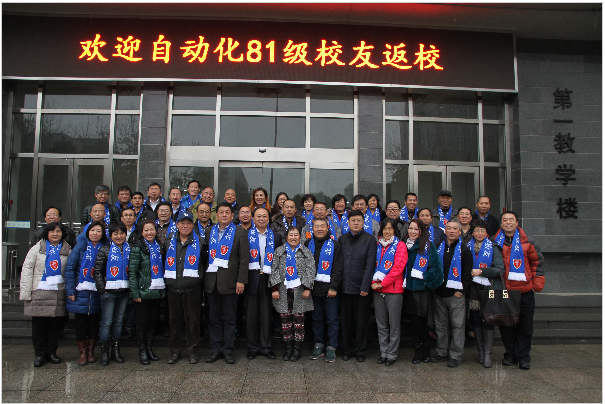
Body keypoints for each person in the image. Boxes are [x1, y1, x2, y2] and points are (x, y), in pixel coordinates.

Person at [494, 211, 545, 370]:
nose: (508, 222)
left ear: (517, 222)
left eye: (511, 220)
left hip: (525, 290)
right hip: (505, 290)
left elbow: (537, 264)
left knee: (525, 325)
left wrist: (536, 286)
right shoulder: (494, 241)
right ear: (501, 223)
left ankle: (523, 356)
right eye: (505, 220)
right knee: (506, 325)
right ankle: (510, 354)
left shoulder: (528, 241)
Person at [19, 222, 70, 367]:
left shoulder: (67, 250)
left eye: (58, 231)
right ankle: (40, 354)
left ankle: (52, 352)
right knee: (39, 327)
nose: (55, 234)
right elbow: (27, 270)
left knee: (55, 327)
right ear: (46, 233)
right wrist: (26, 292)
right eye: (52, 231)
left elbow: (70, 271)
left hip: (57, 293)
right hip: (39, 292)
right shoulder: (37, 249)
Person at [204, 202, 249, 365]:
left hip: (231, 282)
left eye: (227, 212)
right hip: (212, 281)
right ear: (216, 215)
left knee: (230, 319)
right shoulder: (209, 231)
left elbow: (244, 259)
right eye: (221, 212)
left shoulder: (240, 232)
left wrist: (241, 280)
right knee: (213, 318)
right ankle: (216, 349)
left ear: (232, 215)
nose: (224, 215)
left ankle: (228, 350)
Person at [164, 211, 206, 365]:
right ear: (177, 225)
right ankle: (175, 352)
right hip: (173, 287)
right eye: (182, 223)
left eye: (188, 223)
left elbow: (203, 263)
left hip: (192, 288)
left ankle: (193, 352)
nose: (185, 226)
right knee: (174, 322)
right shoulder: (169, 241)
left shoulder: (200, 242)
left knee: (193, 322)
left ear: (193, 225)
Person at [431, 218, 473, 368]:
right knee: (441, 326)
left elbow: (467, 274)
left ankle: (456, 355)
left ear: (459, 231)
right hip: (439, 294)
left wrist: (460, 292)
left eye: (455, 228)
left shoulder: (465, 250)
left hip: (456, 296)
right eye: (449, 228)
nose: (452, 231)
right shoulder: (438, 247)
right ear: (445, 230)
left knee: (457, 326)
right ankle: (441, 352)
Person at [65, 221, 107, 365]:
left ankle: (91, 351)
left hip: (97, 291)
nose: (95, 233)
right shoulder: (80, 247)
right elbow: (70, 269)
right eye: (92, 230)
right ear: (87, 232)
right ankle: (82, 352)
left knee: (94, 322)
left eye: (98, 231)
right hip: (80, 291)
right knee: (80, 323)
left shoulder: (106, 247)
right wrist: (70, 290)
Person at [270, 226, 315, 362]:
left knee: (299, 322)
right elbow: (274, 269)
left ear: (300, 237)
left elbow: (311, 269)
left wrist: (308, 288)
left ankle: (297, 350)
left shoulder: (305, 251)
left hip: (300, 292)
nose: (293, 237)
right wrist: (274, 288)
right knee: (285, 322)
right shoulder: (279, 251)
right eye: (291, 235)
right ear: (287, 237)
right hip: (283, 291)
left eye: (296, 235)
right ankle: (288, 348)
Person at [402, 219, 443, 364]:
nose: (412, 232)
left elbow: (436, 269)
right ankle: (417, 350)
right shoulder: (403, 245)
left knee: (421, 321)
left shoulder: (427, 246)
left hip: (421, 290)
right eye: (411, 228)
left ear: (421, 231)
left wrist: (424, 277)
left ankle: (425, 348)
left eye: (416, 229)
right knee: (413, 322)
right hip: (408, 289)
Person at [338, 210, 377, 362]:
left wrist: (365, 286)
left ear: (363, 222)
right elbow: (338, 263)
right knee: (346, 321)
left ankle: (360, 350)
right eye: (353, 220)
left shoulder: (369, 240)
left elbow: (370, 265)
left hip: (362, 289)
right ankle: (347, 349)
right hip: (345, 287)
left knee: (362, 321)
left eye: (359, 220)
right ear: (348, 222)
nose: (355, 223)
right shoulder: (342, 239)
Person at [245, 207, 283, 360]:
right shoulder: (246, 235)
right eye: (258, 216)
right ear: (253, 219)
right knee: (251, 315)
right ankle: (252, 347)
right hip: (251, 278)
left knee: (267, 315)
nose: (261, 219)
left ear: (268, 218)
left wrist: (276, 283)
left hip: (268, 278)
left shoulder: (276, 236)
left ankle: (266, 347)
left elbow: (279, 261)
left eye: (264, 216)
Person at [304, 218, 343, 363]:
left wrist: (333, 287)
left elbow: (338, 268)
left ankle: (332, 346)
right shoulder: (308, 244)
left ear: (327, 228)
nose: (319, 229)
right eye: (316, 226)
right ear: (312, 229)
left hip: (329, 291)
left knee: (332, 319)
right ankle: (318, 345)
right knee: (316, 319)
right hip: (313, 289)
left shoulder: (335, 245)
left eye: (322, 226)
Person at [467, 219, 505, 368]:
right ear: (472, 233)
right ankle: (481, 351)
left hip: (489, 289)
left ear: (487, 233)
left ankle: (488, 354)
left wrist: (482, 271)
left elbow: (500, 269)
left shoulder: (493, 247)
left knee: (488, 320)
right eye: (477, 230)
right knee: (476, 320)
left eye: (482, 231)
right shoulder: (467, 246)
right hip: (473, 290)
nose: (479, 233)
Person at [129, 219, 166, 365]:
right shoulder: (138, 248)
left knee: (152, 323)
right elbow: (132, 272)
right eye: (146, 230)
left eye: (152, 229)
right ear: (141, 232)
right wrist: (135, 293)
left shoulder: (159, 247)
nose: (149, 233)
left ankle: (149, 348)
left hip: (156, 291)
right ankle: (142, 350)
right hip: (142, 291)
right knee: (142, 323)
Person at [93, 222, 131, 366]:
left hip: (124, 291)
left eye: (121, 233)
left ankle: (116, 350)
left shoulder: (129, 249)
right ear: (110, 235)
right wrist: (102, 288)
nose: (119, 236)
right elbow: (97, 271)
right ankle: (104, 352)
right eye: (115, 234)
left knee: (119, 321)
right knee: (107, 321)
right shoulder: (104, 249)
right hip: (108, 292)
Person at [371, 218, 407, 366]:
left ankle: (392, 353)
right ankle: (383, 352)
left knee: (394, 324)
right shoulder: (377, 245)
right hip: (377, 291)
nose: (387, 231)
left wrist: (382, 283)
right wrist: (374, 283)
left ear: (394, 231)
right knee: (381, 323)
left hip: (393, 291)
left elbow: (398, 268)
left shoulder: (400, 246)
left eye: (390, 229)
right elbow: (372, 266)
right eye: (385, 228)